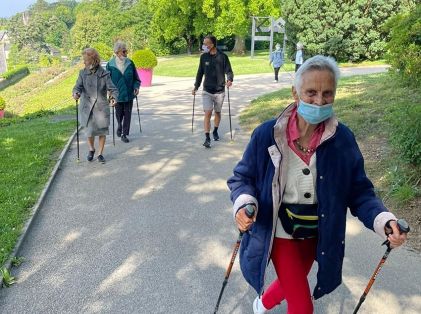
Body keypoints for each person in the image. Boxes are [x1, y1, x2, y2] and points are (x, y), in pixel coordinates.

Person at [227, 55, 408, 314]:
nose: (319, 101)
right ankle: (267, 302)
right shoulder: (267, 134)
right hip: (280, 231)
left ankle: (263, 303)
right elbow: (242, 178)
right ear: (295, 92)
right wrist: (245, 204)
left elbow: (359, 192)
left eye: (327, 93)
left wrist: (383, 220)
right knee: (302, 307)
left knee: (295, 277)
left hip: (319, 233)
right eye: (311, 92)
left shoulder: (342, 140)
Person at [72, 48, 118, 163]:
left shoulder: (104, 74)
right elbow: (77, 86)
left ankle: (100, 154)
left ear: (93, 60)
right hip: (87, 107)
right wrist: (76, 93)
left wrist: (113, 98)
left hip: (100, 108)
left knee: (102, 131)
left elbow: (113, 89)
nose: (84, 62)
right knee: (89, 131)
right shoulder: (82, 73)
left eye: (86, 60)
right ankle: (91, 149)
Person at [192, 35, 234, 148]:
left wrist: (229, 80)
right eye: (204, 44)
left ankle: (215, 130)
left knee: (217, 112)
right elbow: (200, 73)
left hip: (220, 90)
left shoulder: (223, 57)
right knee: (208, 112)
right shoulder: (203, 57)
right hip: (207, 90)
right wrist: (196, 86)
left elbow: (229, 71)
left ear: (212, 44)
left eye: (206, 44)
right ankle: (207, 138)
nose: (204, 46)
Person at [106, 41, 141, 143]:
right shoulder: (110, 65)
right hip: (116, 95)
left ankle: (124, 134)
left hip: (129, 94)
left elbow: (136, 79)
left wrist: (136, 87)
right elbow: (107, 81)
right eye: (124, 51)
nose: (126, 54)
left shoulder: (130, 63)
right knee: (119, 114)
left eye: (126, 51)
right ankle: (119, 126)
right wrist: (110, 93)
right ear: (117, 52)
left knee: (128, 114)